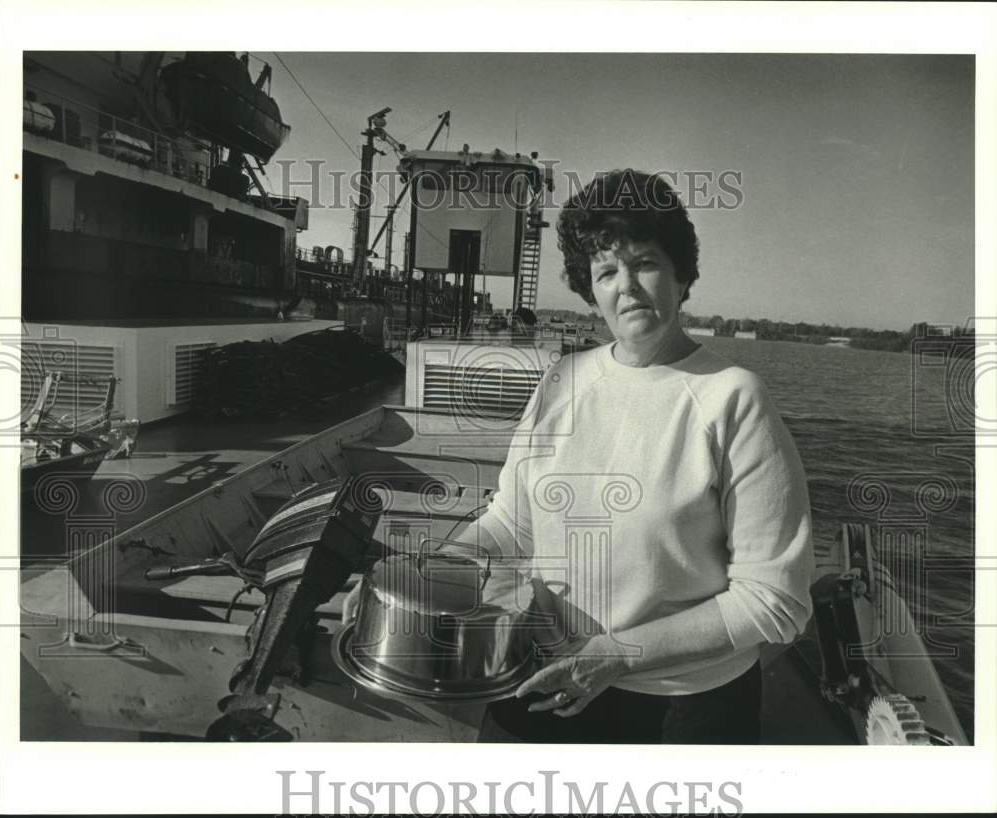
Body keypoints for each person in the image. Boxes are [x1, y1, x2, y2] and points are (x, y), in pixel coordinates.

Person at [346, 169, 814, 744]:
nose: (628, 287)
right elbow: (511, 524)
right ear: (590, 288)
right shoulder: (563, 379)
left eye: (645, 263)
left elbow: (774, 600)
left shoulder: (731, 397)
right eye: (607, 271)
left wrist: (616, 654)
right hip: (544, 675)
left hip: (683, 710)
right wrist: (405, 591)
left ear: (681, 274)